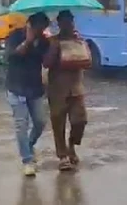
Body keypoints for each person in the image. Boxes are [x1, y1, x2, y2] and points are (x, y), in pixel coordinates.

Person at [5, 12, 51, 177]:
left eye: (43, 29)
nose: (41, 31)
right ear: (30, 25)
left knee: (40, 122)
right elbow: (12, 56)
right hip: (16, 87)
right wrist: (28, 41)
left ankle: (29, 145)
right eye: (39, 28)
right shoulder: (15, 36)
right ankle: (27, 160)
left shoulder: (44, 42)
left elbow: (47, 61)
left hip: (35, 87)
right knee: (21, 125)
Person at [43, 10, 89, 171]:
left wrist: (79, 46)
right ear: (59, 24)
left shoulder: (79, 40)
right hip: (57, 89)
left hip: (76, 88)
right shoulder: (53, 41)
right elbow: (47, 63)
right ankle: (62, 156)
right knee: (58, 123)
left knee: (80, 120)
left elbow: (88, 62)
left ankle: (72, 145)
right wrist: (55, 48)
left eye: (70, 22)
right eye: (64, 22)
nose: (68, 25)